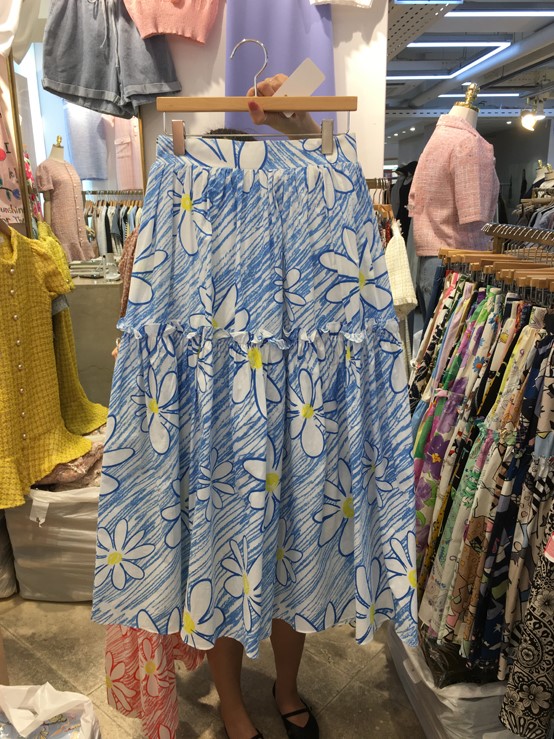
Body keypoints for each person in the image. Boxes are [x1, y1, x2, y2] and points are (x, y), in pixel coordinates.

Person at [205, 73, 321, 739]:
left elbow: (332, 190)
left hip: (290, 413)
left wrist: (301, 127)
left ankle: (287, 685)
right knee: (224, 558)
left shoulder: (293, 207)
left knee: (291, 559)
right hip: (220, 419)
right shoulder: (185, 211)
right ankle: (230, 701)